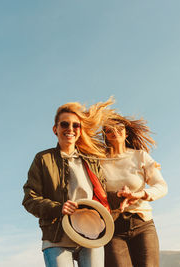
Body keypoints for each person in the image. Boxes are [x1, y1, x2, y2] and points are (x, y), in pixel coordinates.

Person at [22, 99, 112, 267]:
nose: (70, 129)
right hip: (56, 237)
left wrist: (125, 196)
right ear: (55, 129)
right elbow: (30, 199)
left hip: (91, 232)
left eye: (75, 125)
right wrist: (58, 208)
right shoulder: (43, 159)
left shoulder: (91, 160)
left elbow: (103, 194)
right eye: (64, 124)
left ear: (80, 130)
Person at [101, 114, 168, 267]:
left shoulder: (140, 156)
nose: (115, 131)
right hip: (113, 228)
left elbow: (161, 186)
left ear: (126, 132)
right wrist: (117, 196)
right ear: (105, 135)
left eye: (119, 128)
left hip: (142, 223)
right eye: (109, 129)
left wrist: (141, 194)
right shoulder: (99, 161)